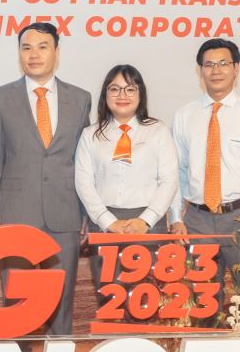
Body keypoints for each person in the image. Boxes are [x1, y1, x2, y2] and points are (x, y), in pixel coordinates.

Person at [0, 22, 91, 352]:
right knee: (17, 300)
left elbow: (84, 162)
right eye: (26, 47)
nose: (33, 54)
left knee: (62, 300)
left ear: (56, 52)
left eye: (42, 47)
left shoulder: (80, 98)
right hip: (16, 213)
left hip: (65, 213)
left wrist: (86, 214)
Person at [169, 38, 240, 308]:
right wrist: (175, 218)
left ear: (236, 68)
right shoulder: (184, 116)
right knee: (201, 303)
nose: (216, 70)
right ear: (200, 70)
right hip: (197, 221)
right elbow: (178, 172)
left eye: (223, 63)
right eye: (209, 65)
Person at [75, 65, 179, 323]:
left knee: (148, 302)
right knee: (110, 300)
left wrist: (146, 220)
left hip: (148, 226)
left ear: (140, 94)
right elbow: (84, 182)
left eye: (130, 89)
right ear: (105, 95)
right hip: (105, 226)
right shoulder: (90, 135)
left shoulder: (157, 131)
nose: (122, 95)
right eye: (115, 89)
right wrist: (108, 222)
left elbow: (169, 180)